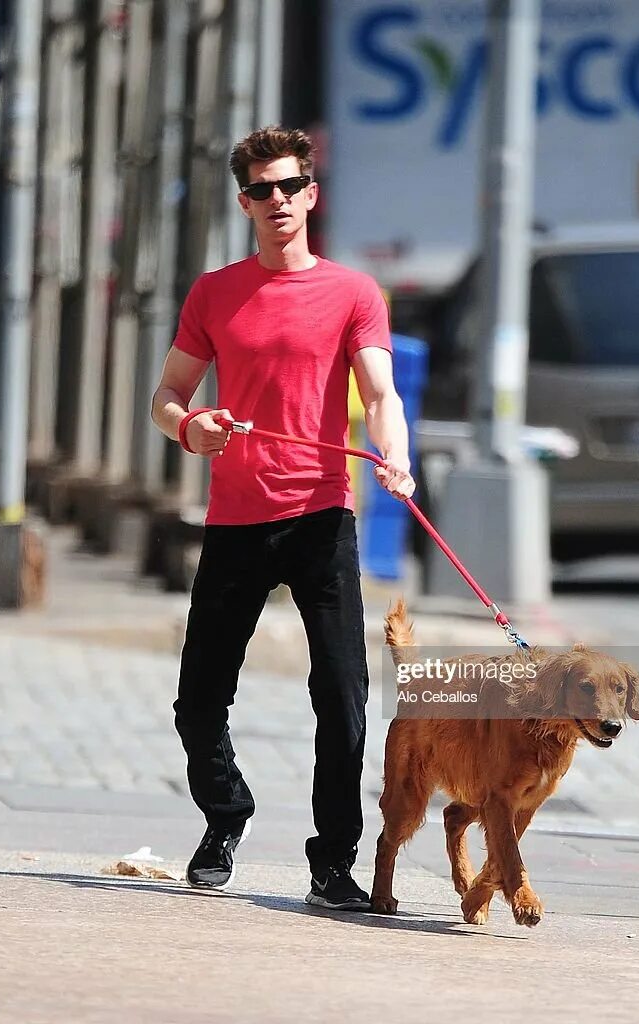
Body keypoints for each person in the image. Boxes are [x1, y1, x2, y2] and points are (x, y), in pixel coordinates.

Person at [150, 126, 415, 910]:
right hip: (236, 519)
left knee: (343, 695)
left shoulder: (354, 294)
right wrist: (191, 428)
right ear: (245, 203)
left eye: (291, 186)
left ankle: (332, 861)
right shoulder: (214, 293)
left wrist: (395, 457)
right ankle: (224, 815)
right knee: (199, 700)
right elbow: (167, 399)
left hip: (320, 517)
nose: (278, 202)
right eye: (262, 191)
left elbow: (383, 394)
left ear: (311, 193)